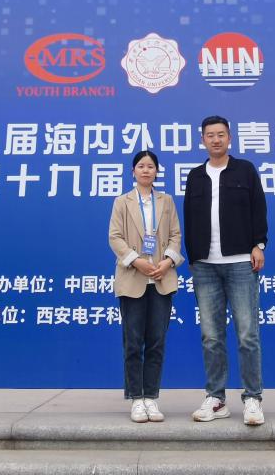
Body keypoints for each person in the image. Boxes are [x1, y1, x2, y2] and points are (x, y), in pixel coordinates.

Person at [183, 115, 268, 426]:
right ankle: (216, 398)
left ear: (229, 138)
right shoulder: (196, 176)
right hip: (205, 266)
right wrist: (194, 256)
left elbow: (259, 208)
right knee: (211, 336)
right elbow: (189, 217)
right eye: (210, 135)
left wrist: (259, 244)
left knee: (247, 334)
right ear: (202, 140)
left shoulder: (245, 170)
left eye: (221, 134)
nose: (216, 139)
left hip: (241, 262)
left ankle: (253, 398)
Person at [108, 149, 184, 423]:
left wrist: (168, 261)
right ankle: (136, 398)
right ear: (133, 171)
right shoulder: (122, 201)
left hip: (161, 279)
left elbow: (176, 235)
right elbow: (115, 237)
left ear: (156, 172)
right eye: (141, 166)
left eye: (150, 166)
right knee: (133, 342)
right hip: (133, 278)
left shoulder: (167, 201)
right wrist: (136, 261)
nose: (146, 170)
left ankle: (151, 397)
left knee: (156, 341)